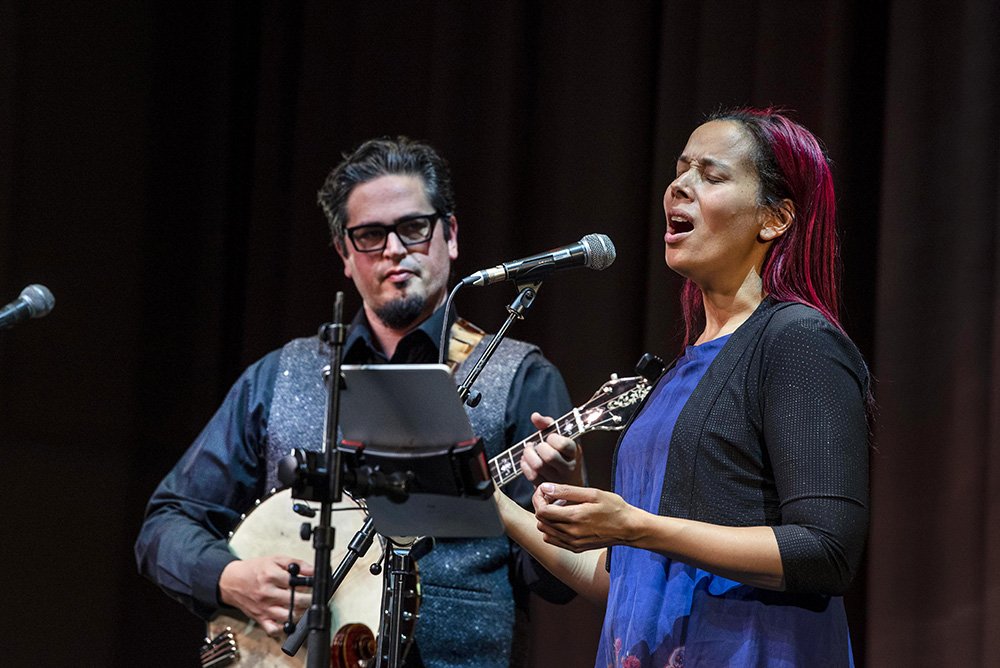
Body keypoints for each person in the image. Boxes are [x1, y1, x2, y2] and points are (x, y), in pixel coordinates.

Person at [135, 136, 583, 668]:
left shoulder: (521, 377)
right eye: (370, 236)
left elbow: (555, 585)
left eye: (413, 228)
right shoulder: (279, 375)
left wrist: (567, 509)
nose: (394, 250)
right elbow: (166, 522)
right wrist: (231, 578)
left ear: (451, 235)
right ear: (345, 255)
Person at [498, 108, 870, 667]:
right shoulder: (676, 374)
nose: (679, 185)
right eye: (679, 170)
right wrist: (488, 501)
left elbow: (827, 550)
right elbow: (620, 583)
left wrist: (638, 527)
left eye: (711, 175)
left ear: (775, 219)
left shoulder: (798, 340)